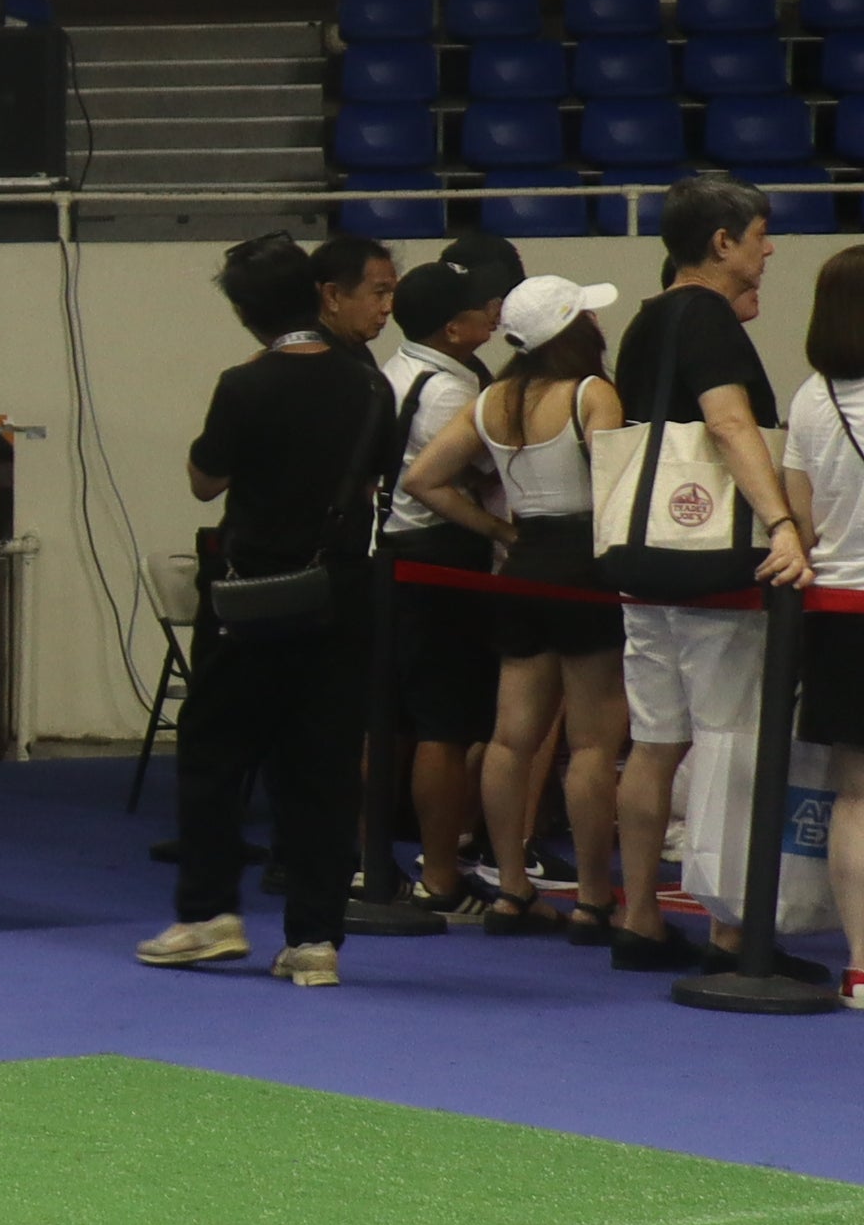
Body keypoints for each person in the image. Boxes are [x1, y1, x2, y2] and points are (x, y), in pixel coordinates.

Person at [142, 230, 394, 982]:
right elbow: (376, 480)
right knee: (324, 766)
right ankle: (315, 940)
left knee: (215, 754)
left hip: (251, 595)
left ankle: (209, 914)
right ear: (318, 295)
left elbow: (205, 481)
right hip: (342, 590)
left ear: (246, 313)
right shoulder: (371, 385)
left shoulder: (244, 384)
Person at [602, 175, 816, 971]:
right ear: (722, 243)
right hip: (712, 569)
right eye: (759, 235)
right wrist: (783, 522)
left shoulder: (647, 319)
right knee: (731, 742)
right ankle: (733, 931)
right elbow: (729, 424)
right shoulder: (709, 318)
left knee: (655, 742)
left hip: (644, 560)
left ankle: (639, 916)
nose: (770, 249)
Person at [411, 273, 630, 937]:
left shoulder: (492, 400)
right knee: (592, 744)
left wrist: (501, 532)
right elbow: (613, 489)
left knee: (511, 738)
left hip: (523, 563)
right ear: (573, 330)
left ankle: (510, 889)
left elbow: (423, 479)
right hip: (585, 567)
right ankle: (593, 899)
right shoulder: (592, 393)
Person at [351, 259, 502, 929]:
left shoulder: (394, 369)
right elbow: (465, 475)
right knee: (444, 726)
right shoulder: (454, 390)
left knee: (386, 721)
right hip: (439, 562)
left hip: (386, 558)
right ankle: (440, 877)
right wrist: (500, 530)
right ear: (453, 327)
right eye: (481, 305)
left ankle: (370, 861)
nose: (493, 312)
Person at [778, 248, 864, 1001]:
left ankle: (861, 965)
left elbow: (800, 521)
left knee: (855, 796)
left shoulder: (811, 399)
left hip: (839, 613)